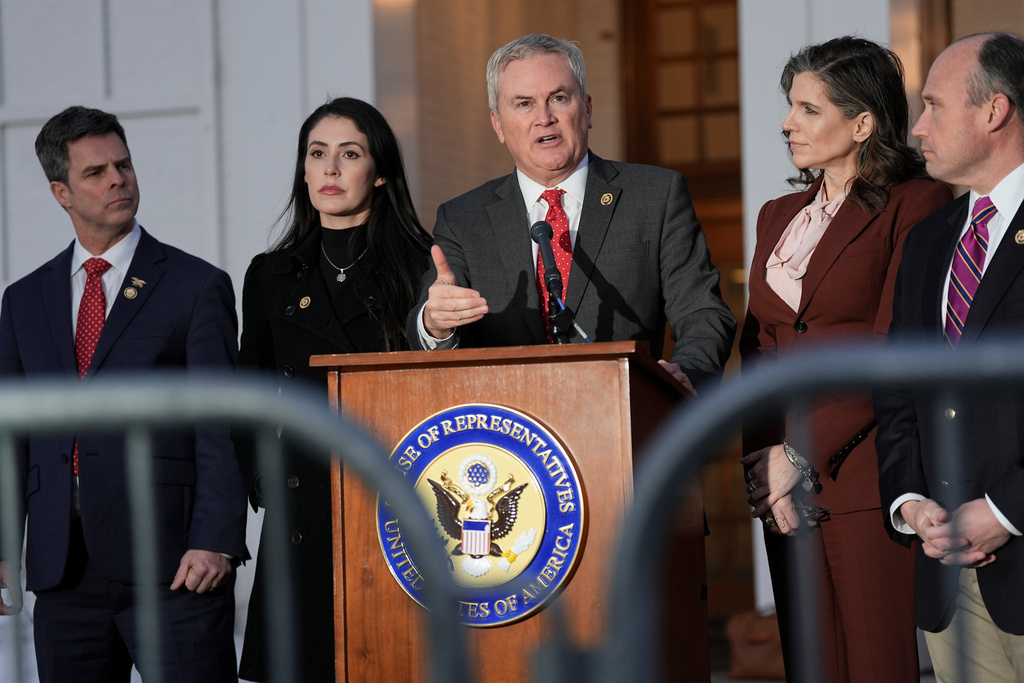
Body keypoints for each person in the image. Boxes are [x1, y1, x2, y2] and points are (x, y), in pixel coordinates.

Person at [0, 106, 248, 681]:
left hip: (174, 569)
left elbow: (222, 423)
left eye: (124, 165)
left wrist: (215, 539)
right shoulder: (25, 300)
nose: (118, 179)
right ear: (61, 192)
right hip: (64, 572)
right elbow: (12, 435)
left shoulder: (195, 286)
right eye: (96, 172)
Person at [740, 37, 951, 682]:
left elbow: (890, 346)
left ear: (861, 124)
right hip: (783, 491)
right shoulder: (778, 216)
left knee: (876, 665)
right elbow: (762, 350)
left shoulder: (918, 203)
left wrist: (797, 453)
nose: (786, 123)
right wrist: (763, 468)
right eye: (789, 107)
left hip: (866, 479)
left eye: (807, 109)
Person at [406, 33, 735, 392]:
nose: (544, 118)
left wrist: (684, 375)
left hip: (626, 420)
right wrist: (435, 323)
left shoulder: (655, 196)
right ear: (498, 125)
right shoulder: (462, 219)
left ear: (588, 109)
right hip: (508, 432)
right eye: (524, 103)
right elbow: (425, 327)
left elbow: (703, 312)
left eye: (558, 98)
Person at [236, 97, 431, 682]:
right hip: (302, 513)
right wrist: (265, 479)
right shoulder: (269, 275)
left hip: (395, 504)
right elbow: (248, 392)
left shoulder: (422, 264)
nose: (330, 169)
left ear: (380, 172)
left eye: (349, 154)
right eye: (317, 154)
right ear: (302, 170)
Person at [875, 32, 1024, 682]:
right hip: (947, 579)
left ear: (994, 111)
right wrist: (910, 502)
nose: (918, 129)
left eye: (934, 106)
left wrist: (1003, 511)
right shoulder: (930, 238)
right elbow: (898, 390)